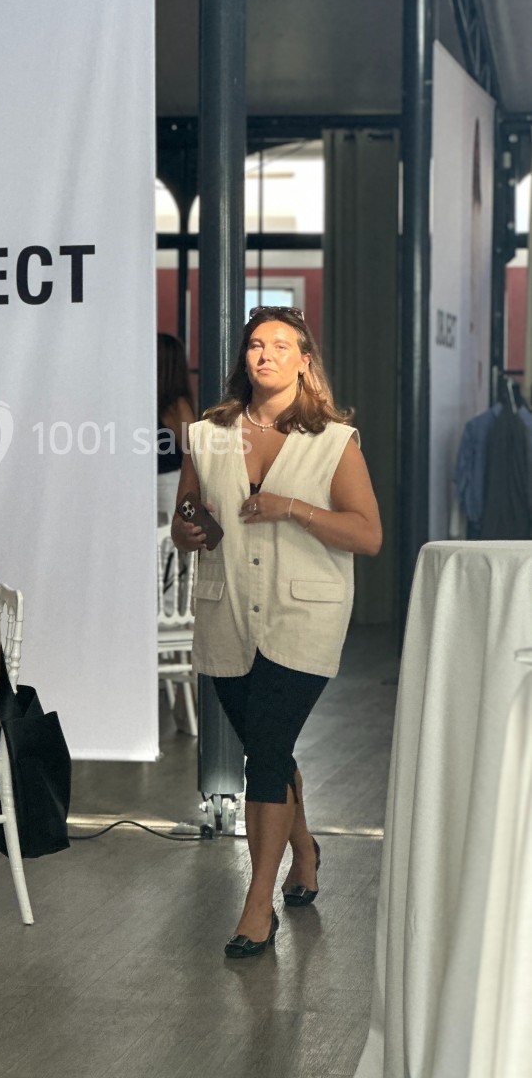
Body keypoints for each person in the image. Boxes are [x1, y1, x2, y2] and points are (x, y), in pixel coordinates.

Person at [171, 307, 381, 958]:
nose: (264, 355)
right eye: (255, 345)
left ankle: (257, 905)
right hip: (226, 612)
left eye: (279, 346)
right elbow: (185, 521)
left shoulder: (333, 441)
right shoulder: (207, 434)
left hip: (304, 614)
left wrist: (290, 507)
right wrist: (191, 529)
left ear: (303, 361)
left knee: (262, 754)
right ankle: (304, 851)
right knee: (270, 742)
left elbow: (366, 534)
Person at [157, 333, 196, 524]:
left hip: (165, 484)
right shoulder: (177, 406)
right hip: (165, 483)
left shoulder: (176, 406)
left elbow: (192, 455)